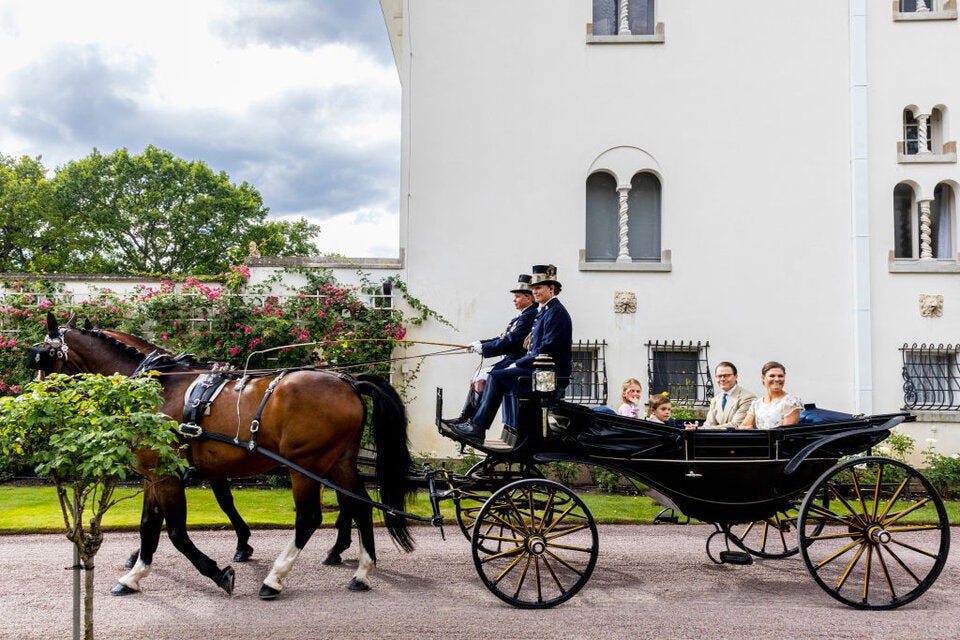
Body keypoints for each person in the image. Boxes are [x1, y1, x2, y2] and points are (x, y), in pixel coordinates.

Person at [446, 264, 572, 445]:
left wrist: (519, 363)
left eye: (538, 288)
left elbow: (546, 350)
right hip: (540, 371)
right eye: (533, 288)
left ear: (551, 289)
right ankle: (473, 424)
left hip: (549, 375)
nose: (535, 292)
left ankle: (477, 428)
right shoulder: (545, 311)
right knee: (496, 376)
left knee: (496, 377)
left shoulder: (556, 312)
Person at [452, 274, 537, 422]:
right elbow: (502, 337)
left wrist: (483, 348)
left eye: (517, 296)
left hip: (516, 360)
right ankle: (465, 417)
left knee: (482, 378)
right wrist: (480, 343)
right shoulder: (522, 316)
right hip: (511, 359)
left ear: (528, 298)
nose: (514, 299)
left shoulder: (529, 316)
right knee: (478, 375)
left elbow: (511, 341)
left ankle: (471, 422)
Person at [739, 361, 802, 430]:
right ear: (763, 378)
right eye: (772, 376)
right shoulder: (757, 403)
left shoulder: (791, 401)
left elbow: (786, 432)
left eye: (780, 376)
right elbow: (743, 427)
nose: (777, 379)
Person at [697, 361, 757, 429]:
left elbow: (736, 425)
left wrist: (703, 429)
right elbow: (708, 425)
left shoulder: (748, 398)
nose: (722, 379)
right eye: (719, 376)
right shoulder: (715, 400)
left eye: (727, 375)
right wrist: (696, 428)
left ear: (736, 376)